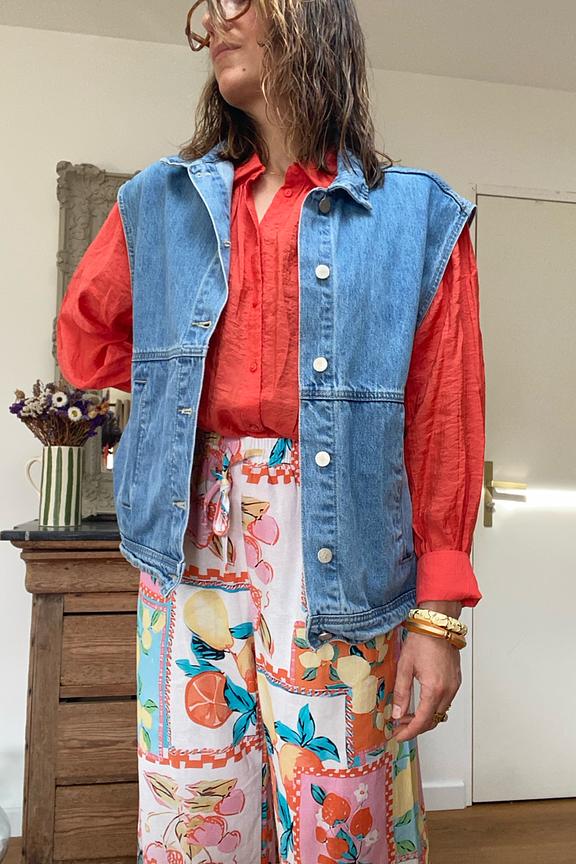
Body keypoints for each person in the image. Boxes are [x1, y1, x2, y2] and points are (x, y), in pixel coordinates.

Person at [56, 1, 486, 861]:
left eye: (243, 0)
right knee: (195, 817)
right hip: (190, 536)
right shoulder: (159, 203)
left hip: (341, 548)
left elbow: (445, 419)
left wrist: (438, 621)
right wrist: (179, 393)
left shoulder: (416, 217)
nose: (217, 18)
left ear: (314, 21)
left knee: (338, 821)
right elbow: (86, 338)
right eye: (211, 6)